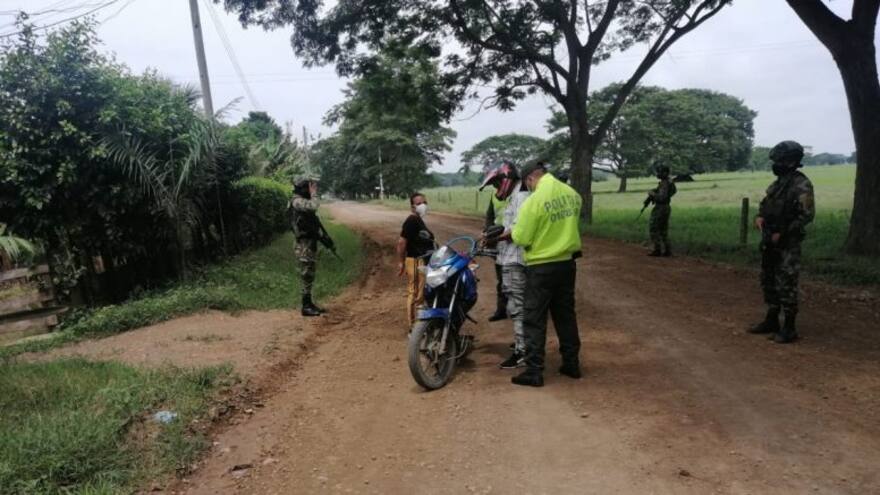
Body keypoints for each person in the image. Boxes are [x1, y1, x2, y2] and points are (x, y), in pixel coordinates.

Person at [511, 161, 583, 387]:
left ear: (530, 178)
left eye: (527, 184)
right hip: (567, 265)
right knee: (565, 315)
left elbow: (521, 238)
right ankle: (571, 364)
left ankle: (534, 371)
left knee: (534, 318)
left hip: (541, 267)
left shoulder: (534, 202)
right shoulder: (572, 194)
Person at [749, 141, 815, 344]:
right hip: (770, 239)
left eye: (779, 160)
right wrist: (760, 217)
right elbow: (765, 205)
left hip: (788, 243)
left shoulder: (801, 184)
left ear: (791, 161)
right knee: (768, 279)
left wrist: (783, 234)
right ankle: (771, 319)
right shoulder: (778, 184)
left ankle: (789, 326)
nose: (775, 164)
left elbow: (806, 215)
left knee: (786, 282)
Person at [481, 162, 530, 368]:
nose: (495, 189)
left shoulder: (521, 198)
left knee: (517, 307)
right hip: (510, 257)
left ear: (505, 179)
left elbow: (517, 229)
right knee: (518, 306)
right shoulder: (515, 196)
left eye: (496, 184)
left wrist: (495, 237)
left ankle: (522, 352)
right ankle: (524, 344)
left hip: (517, 259)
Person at [289, 175, 325, 317]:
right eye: (308, 187)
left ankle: (309, 303)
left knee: (309, 274)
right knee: (306, 274)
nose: (309, 190)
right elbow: (314, 206)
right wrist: (314, 193)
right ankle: (305, 306)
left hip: (308, 242)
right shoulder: (296, 201)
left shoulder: (300, 200)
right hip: (303, 244)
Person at [397, 192, 434, 328]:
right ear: (412, 207)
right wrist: (401, 262)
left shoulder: (418, 220)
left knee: (421, 292)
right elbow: (401, 242)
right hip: (415, 260)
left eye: (424, 203)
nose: (423, 205)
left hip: (422, 261)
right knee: (415, 293)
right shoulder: (411, 220)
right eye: (419, 204)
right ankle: (413, 326)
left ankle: (421, 323)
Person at [481, 163, 512, 322]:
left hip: (515, 239)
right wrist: (487, 232)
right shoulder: (494, 195)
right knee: (501, 278)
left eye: (496, 182)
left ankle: (521, 310)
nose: (495, 186)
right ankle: (501, 309)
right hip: (499, 240)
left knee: (518, 277)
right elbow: (489, 216)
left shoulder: (517, 193)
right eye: (493, 184)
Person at [647, 164, 677, 257]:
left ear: (665, 173)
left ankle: (657, 249)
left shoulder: (665, 183)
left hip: (661, 207)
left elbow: (662, 197)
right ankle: (667, 250)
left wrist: (653, 194)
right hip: (666, 207)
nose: (658, 174)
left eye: (660, 172)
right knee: (663, 230)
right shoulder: (668, 182)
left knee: (654, 228)